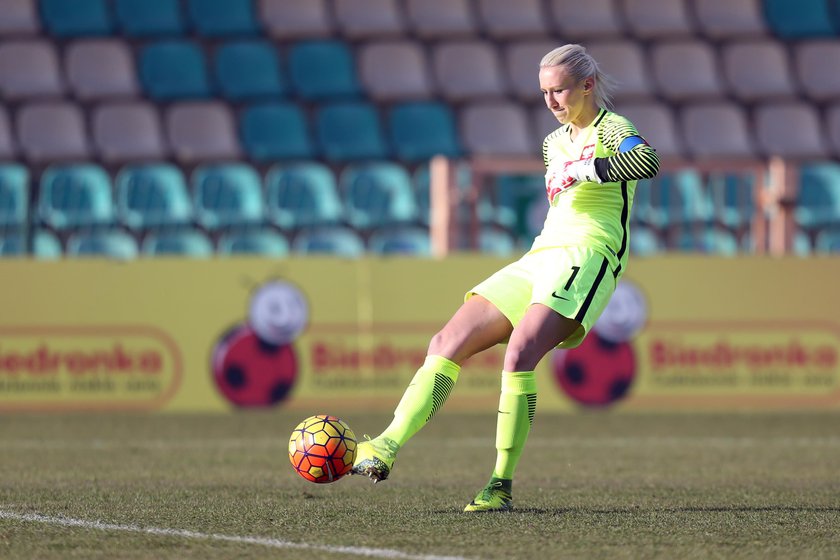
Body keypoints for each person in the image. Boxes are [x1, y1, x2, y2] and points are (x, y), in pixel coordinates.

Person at [350, 44, 661, 512]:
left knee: (518, 353)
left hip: (589, 254)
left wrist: (583, 168)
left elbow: (647, 162)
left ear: (587, 85)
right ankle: (386, 444)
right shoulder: (551, 143)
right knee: (446, 340)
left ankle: (500, 483)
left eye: (560, 90)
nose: (552, 102)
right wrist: (570, 169)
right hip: (540, 254)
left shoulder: (613, 129)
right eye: (544, 93)